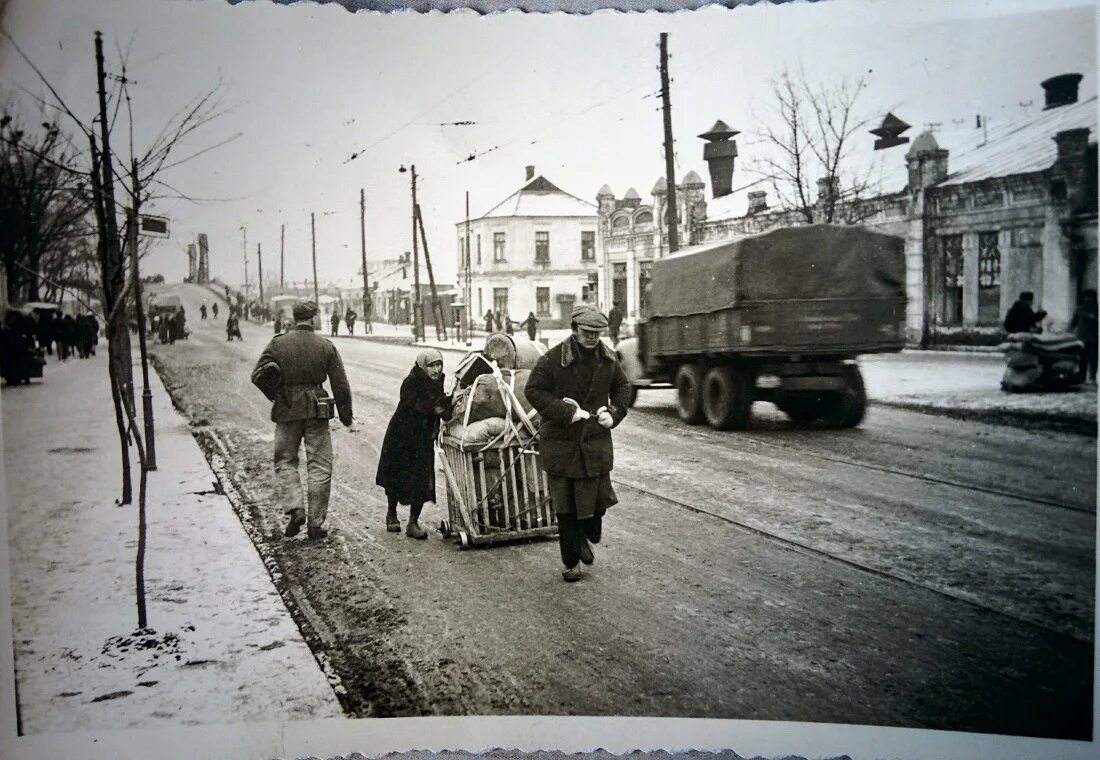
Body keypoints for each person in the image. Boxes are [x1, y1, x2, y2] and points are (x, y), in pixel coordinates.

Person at [525, 304, 631, 582]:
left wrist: (615, 412)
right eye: (586, 332)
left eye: (597, 333)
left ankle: (587, 535)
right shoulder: (553, 359)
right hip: (562, 444)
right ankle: (571, 562)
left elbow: (622, 387)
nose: (592, 337)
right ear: (574, 331)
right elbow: (533, 390)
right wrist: (566, 412)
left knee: (596, 507)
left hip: (595, 443)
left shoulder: (608, 359)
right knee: (567, 508)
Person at [252, 301, 353, 540]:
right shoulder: (325, 346)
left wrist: (277, 395)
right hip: (316, 410)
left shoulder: (277, 344)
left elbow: (258, 375)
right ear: (314, 318)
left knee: (285, 460)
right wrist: (346, 416)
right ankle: (316, 524)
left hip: (286, 409)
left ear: (294, 317)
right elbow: (340, 384)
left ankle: (296, 508)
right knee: (319, 464)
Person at [375, 348, 454, 539]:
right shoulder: (410, 382)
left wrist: (447, 407)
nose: (436, 370)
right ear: (422, 366)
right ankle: (391, 514)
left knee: (421, 477)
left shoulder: (438, 382)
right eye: (431, 365)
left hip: (423, 438)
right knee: (396, 474)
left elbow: (440, 408)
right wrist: (436, 407)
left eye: (438, 364)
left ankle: (412, 522)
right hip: (402, 435)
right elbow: (418, 405)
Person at [1070, 288, 1098, 383]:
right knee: (1083, 358)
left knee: (1094, 358)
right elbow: (1074, 322)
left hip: (1094, 336)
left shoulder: (1096, 309)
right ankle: (1083, 377)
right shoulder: (1080, 309)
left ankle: (1092, 376)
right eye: (1086, 299)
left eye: (1090, 299)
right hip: (1083, 337)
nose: (1088, 301)